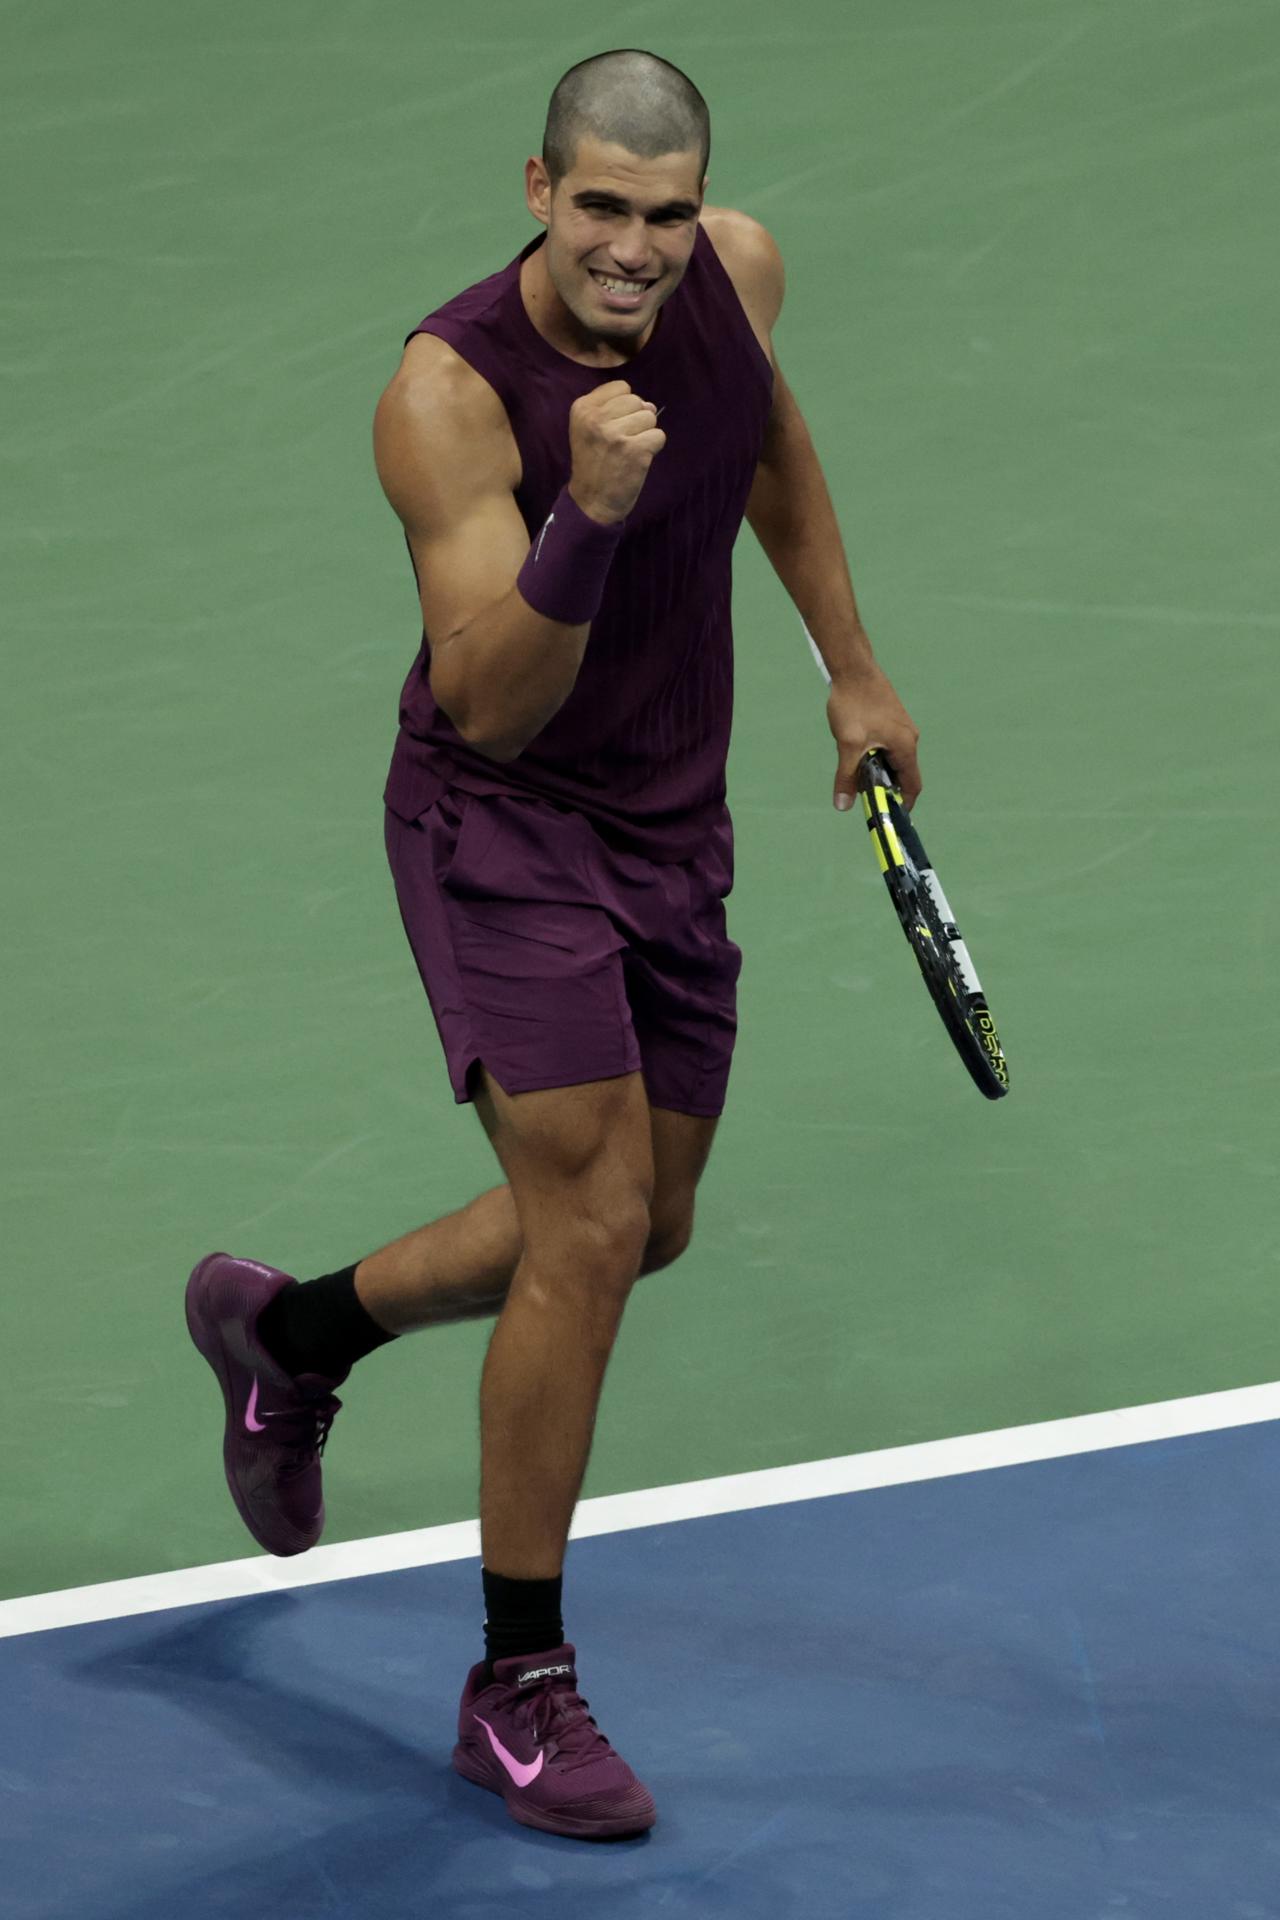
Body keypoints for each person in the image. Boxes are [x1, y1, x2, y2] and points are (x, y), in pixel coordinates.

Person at [185, 46, 921, 1841]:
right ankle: (516, 1685)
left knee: (640, 1226)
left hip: (675, 820)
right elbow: (490, 707)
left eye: (665, 216)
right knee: (586, 1219)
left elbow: (773, 455)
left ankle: (293, 1333)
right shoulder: (445, 396)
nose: (638, 252)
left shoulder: (730, 276)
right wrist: (585, 513)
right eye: (601, 209)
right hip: (500, 825)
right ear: (537, 188)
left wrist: (852, 668)